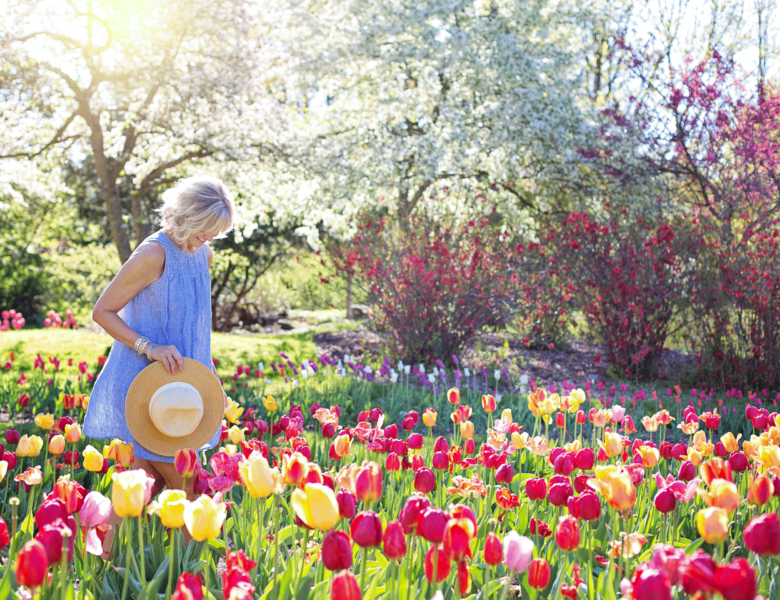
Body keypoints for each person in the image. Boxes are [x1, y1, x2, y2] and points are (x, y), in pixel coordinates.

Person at [84, 175, 236, 503]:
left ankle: (103, 555)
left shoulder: (203, 254)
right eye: (203, 231)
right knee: (190, 492)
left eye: (214, 234)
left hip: (183, 387)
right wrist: (149, 348)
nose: (208, 240)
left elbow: (196, 330)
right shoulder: (153, 255)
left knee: (136, 494)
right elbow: (103, 311)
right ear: (185, 218)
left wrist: (212, 380)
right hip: (150, 389)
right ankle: (196, 557)